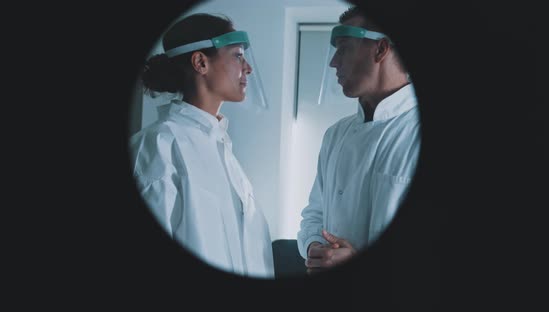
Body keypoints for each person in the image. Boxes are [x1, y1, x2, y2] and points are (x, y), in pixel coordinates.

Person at [129, 13, 274, 279]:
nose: (248, 68)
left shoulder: (223, 150)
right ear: (200, 62)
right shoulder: (159, 145)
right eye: (238, 55)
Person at [297, 6, 421, 274]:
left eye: (343, 48)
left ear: (380, 49)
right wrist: (315, 247)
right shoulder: (335, 135)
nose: (333, 62)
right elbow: (314, 215)